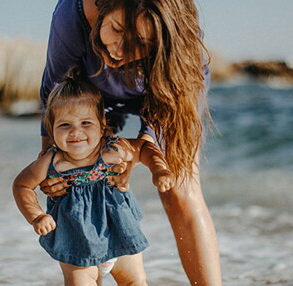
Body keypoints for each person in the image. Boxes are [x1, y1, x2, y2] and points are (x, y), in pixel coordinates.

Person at [39, 0, 222, 284]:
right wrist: (51, 168)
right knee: (84, 181)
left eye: (142, 43)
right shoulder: (71, 16)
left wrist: (140, 148)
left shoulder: (176, 35)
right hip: (95, 92)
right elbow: (54, 93)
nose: (121, 50)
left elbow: (169, 109)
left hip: (169, 86)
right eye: (117, 28)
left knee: (180, 188)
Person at [13, 72, 175, 285]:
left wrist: (159, 170)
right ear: (51, 130)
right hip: (75, 240)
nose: (75, 131)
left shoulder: (112, 150)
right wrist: (36, 216)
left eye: (85, 122)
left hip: (120, 231)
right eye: (64, 125)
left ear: (101, 124)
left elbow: (144, 147)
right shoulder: (50, 161)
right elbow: (22, 185)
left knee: (134, 281)